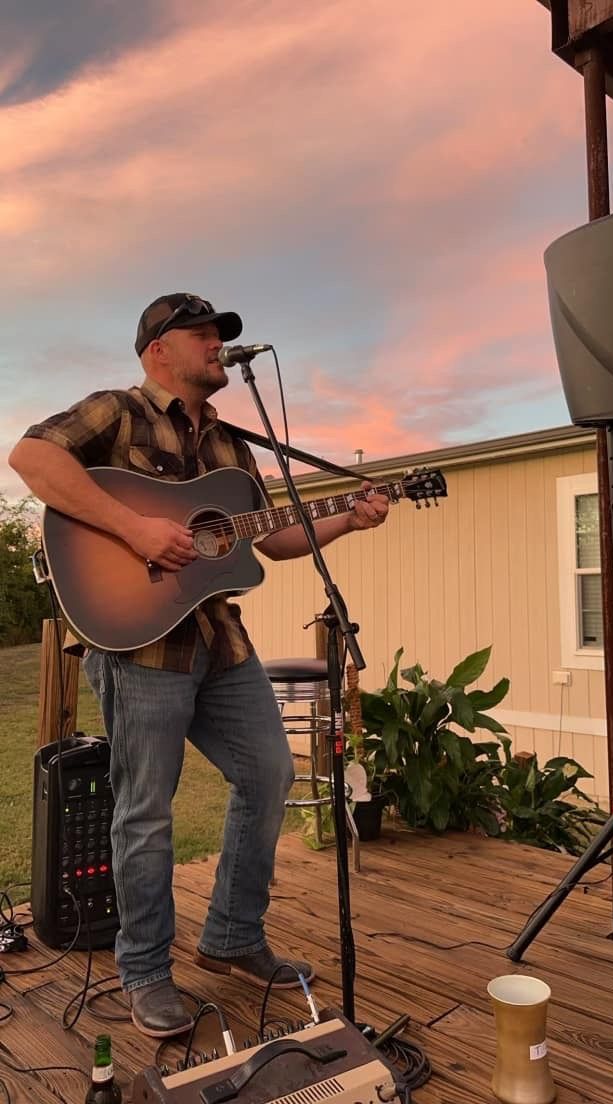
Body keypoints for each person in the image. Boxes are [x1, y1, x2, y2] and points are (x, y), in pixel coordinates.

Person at [9, 292, 389, 1039]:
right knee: (146, 813)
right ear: (158, 348)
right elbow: (31, 456)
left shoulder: (231, 445)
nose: (218, 344)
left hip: (219, 641)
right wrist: (134, 528)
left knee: (270, 773)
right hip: (142, 643)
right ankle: (145, 970)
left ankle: (232, 935)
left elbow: (270, 540)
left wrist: (349, 516)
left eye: (222, 335)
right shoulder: (118, 411)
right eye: (204, 334)